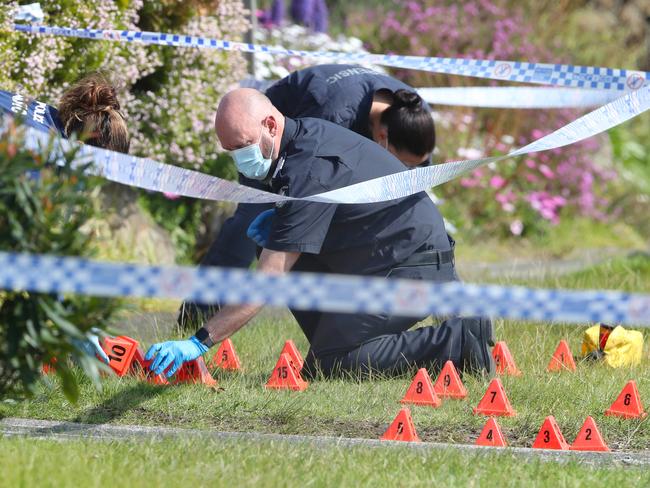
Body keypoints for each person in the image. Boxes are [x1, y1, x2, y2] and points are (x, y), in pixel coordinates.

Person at [147, 88, 494, 380]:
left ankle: (459, 340)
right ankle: (337, 341)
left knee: (330, 365)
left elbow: (270, 279)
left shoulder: (309, 171)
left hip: (409, 267)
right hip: (384, 256)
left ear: (270, 125)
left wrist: (199, 342)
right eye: (231, 151)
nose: (240, 159)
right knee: (273, 251)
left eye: (243, 145)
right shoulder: (302, 137)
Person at [178, 64, 437, 328]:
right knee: (250, 225)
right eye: (401, 163)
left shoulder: (414, 113)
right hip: (259, 142)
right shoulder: (334, 114)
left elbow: (410, 189)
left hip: (306, 145)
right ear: (381, 139)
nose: (403, 168)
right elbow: (308, 177)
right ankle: (197, 313)